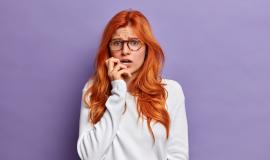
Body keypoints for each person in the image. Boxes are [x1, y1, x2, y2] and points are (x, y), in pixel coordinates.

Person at [77, 9, 189, 160]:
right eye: (117, 43)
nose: (125, 51)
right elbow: (88, 156)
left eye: (134, 42)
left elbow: (178, 156)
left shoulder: (170, 91)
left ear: (147, 48)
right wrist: (118, 91)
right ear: (108, 50)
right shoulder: (93, 90)